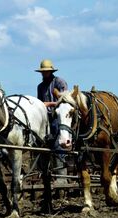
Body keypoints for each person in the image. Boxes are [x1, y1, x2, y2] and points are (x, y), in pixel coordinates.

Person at [35, 59, 69, 187]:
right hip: (45, 118)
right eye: (43, 72)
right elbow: (39, 103)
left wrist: (49, 104)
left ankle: (62, 176)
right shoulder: (40, 86)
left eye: (46, 72)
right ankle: (43, 172)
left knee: (57, 143)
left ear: (51, 71)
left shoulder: (59, 82)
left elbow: (66, 100)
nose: (44, 74)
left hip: (59, 117)